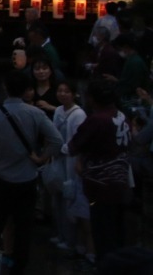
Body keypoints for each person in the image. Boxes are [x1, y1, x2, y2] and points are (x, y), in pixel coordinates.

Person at [0, 67, 63, 275]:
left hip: (1, 179)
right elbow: (57, 140)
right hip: (27, 179)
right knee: (24, 230)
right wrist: (42, 158)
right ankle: (18, 269)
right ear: (26, 90)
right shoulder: (36, 113)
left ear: (5, 88)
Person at [69, 79, 134, 266]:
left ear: (92, 99)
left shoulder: (97, 120)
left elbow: (73, 146)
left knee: (104, 238)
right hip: (121, 184)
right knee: (117, 235)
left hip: (101, 186)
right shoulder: (122, 116)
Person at [45, 79, 87, 256]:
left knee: (69, 199)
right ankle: (61, 235)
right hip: (59, 160)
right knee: (58, 200)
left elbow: (77, 140)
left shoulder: (79, 115)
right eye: (60, 90)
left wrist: (60, 149)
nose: (62, 94)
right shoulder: (59, 111)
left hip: (70, 161)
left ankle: (71, 240)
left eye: (67, 91)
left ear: (74, 94)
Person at [111, 33, 151, 106]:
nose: (118, 51)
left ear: (126, 47)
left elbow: (132, 85)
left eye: (119, 48)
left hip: (134, 101)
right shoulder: (131, 60)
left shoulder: (135, 62)